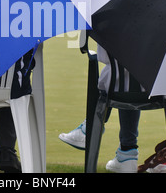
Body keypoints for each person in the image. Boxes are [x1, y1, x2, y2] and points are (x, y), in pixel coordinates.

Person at [59, 44, 141, 173]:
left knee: (119, 75)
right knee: (129, 76)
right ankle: (127, 154)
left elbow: (104, 56)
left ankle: (89, 129)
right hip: (162, 90)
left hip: (119, 84)